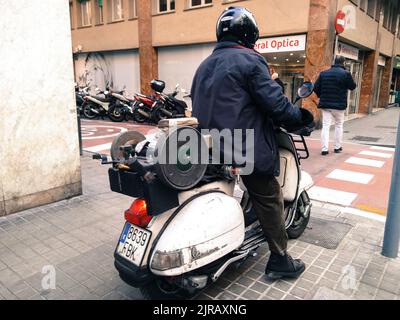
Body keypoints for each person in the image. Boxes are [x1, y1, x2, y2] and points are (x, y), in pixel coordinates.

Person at [191, 7, 314, 280]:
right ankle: (280, 260)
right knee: (269, 196)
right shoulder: (250, 60)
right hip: (242, 146)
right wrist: (302, 119)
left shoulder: (204, 65)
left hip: (208, 146)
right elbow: (277, 105)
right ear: (250, 34)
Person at [314, 56, 357, 156]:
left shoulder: (324, 73)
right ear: (344, 63)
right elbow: (352, 86)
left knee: (325, 126)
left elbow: (316, 88)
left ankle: (324, 149)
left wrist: (322, 95)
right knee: (338, 125)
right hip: (339, 105)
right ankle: (337, 147)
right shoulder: (345, 74)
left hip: (326, 105)